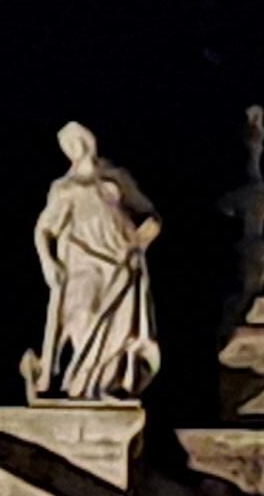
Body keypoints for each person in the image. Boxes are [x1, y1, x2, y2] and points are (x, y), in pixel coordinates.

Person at [24, 122, 161, 402]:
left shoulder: (115, 178)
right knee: (82, 316)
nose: (74, 148)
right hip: (81, 264)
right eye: (68, 145)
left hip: (119, 263)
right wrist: (48, 262)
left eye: (77, 141)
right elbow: (43, 230)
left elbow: (148, 213)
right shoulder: (63, 187)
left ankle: (99, 386)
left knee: (118, 328)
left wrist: (142, 238)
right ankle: (79, 383)